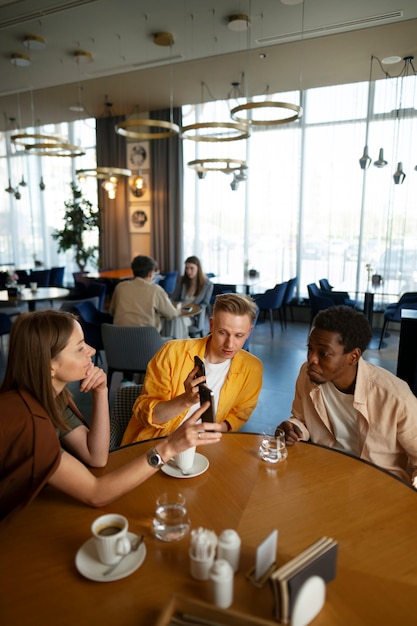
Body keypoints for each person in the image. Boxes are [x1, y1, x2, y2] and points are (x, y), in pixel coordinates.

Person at [0, 310, 222, 525]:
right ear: (50, 365)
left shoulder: (51, 399)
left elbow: (96, 456)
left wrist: (101, 392)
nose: (92, 350)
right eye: (79, 349)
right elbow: (95, 493)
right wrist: (169, 448)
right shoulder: (28, 421)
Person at [277, 305, 417, 487]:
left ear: (353, 356)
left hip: (377, 486)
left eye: (324, 353)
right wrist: (293, 427)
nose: (311, 359)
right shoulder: (308, 374)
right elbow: (301, 419)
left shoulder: (395, 396)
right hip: (324, 476)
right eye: (309, 348)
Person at [121, 293, 263, 443]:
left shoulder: (252, 369)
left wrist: (216, 429)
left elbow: (238, 415)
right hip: (155, 443)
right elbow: (148, 416)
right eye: (223, 333)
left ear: (249, 331)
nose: (230, 344)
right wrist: (186, 400)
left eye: (239, 335)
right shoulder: (171, 353)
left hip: (204, 447)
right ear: (212, 325)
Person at [109, 255, 187, 338]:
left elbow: (112, 311)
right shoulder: (155, 290)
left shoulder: (120, 287)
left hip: (119, 341)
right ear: (151, 273)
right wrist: (178, 310)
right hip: (147, 342)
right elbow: (171, 314)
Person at [171, 255, 214, 337]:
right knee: (174, 319)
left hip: (194, 316)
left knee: (179, 321)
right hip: (180, 311)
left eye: (191, 268)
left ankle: (179, 343)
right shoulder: (182, 281)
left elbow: (205, 303)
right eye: (186, 268)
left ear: (198, 268)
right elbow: (174, 296)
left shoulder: (207, 284)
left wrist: (194, 311)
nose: (188, 271)